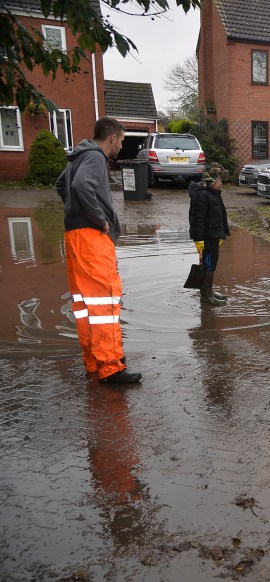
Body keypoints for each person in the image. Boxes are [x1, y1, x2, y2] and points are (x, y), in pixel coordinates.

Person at [56, 116, 142, 384]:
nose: (121, 147)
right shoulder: (95, 157)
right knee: (105, 299)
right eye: (122, 141)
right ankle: (111, 366)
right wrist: (99, 219)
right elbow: (81, 186)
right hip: (92, 237)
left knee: (85, 303)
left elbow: (63, 185)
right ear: (113, 138)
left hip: (75, 235)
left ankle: (94, 360)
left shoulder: (78, 156)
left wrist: (76, 212)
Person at [188, 164, 230, 306]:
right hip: (206, 237)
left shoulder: (214, 193)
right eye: (219, 180)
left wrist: (221, 233)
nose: (221, 183)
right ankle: (206, 295)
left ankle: (209, 291)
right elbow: (197, 219)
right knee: (207, 264)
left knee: (212, 263)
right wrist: (198, 239)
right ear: (211, 180)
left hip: (213, 235)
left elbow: (220, 215)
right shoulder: (201, 195)